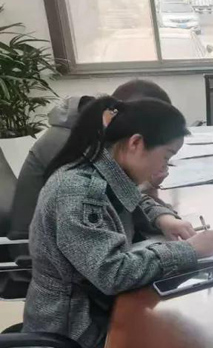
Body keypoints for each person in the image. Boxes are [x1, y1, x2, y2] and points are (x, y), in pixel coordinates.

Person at [9, 96, 213, 348]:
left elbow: (130, 198)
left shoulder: (101, 167)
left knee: (187, 342)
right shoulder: (78, 192)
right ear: (136, 143)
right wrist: (188, 251)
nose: (164, 168)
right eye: (166, 157)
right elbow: (113, 273)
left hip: (95, 314)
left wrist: (162, 218)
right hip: (72, 343)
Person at [8, 79, 172, 241]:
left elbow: (122, 195)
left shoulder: (100, 129)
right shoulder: (75, 142)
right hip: (39, 246)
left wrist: (161, 215)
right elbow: (112, 204)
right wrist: (148, 185)